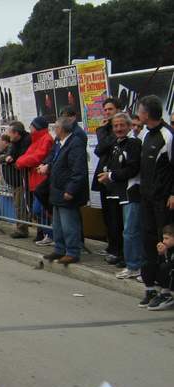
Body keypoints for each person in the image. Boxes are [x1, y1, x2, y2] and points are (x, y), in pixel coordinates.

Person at [136, 95, 174, 308]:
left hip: (163, 200)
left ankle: (166, 290)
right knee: (148, 242)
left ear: (147, 114)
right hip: (146, 199)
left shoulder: (167, 136)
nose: (138, 114)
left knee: (164, 244)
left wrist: (172, 194)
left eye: (140, 111)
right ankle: (150, 288)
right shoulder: (144, 134)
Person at [96, 112, 143, 280]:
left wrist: (111, 176)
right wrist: (107, 175)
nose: (119, 129)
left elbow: (132, 169)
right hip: (121, 193)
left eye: (122, 125)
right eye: (115, 126)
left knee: (131, 232)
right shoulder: (117, 144)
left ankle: (135, 266)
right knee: (127, 231)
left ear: (129, 126)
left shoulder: (134, 144)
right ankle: (133, 265)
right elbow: (112, 164)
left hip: (133, 193)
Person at [43, 116, 89, 264]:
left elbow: (78, 170)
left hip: (66, 190)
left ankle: (72, 251)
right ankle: (59, 249)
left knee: (69, 224)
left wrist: (71, 190)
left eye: (55, 127)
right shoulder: (59, 142)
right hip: (56, 189)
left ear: (61, 129)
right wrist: (47, 166)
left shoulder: (75, 144)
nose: (54, 130)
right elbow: (53, 158)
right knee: (57, 224)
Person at [92, 98, 124, 264]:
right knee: (107, 215)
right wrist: (104, 128)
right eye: (105, 110)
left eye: (110, 109)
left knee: (116, 217)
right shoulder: (104, 129)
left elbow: (106, 145)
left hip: (116, 178)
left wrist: (108, 130)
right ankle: (112, 245)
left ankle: (118, 249)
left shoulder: (119, 129)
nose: (107, 112)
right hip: (104, 177)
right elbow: (99, 149)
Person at [16, 117, 55, 245]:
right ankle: (48, 234)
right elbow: (28, 155)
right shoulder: (36, 139)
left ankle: (52, 234)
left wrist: (20, 162)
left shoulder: (46, 139)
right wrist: (21, 160)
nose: (30, 128)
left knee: (40, 209)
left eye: (31, 126)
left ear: (37, 127)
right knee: (38, 210)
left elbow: (37, 157)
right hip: (35, 179)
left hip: (42, 179)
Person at [5, 121, 33, 238]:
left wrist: (13, 160)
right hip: (15, 179)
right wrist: (7, 157)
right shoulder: (14, 142)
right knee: (18, 204)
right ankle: (20, 227)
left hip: (23, 179)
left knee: (21, 204)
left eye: (10, 133)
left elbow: (21, 158)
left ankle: (22, 229)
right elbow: (8, 155)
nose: (9, 136)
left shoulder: (27, 141)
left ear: (16, 133)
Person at [144, 224, 174, 310]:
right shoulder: (167, 247)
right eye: (163, 238)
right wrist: (161, 254)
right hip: (167, 277)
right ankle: (150, 291)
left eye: (167, 238)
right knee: (147, 265)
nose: (164, 241)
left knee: (166, 267)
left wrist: (166, 255)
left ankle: (166, 295)